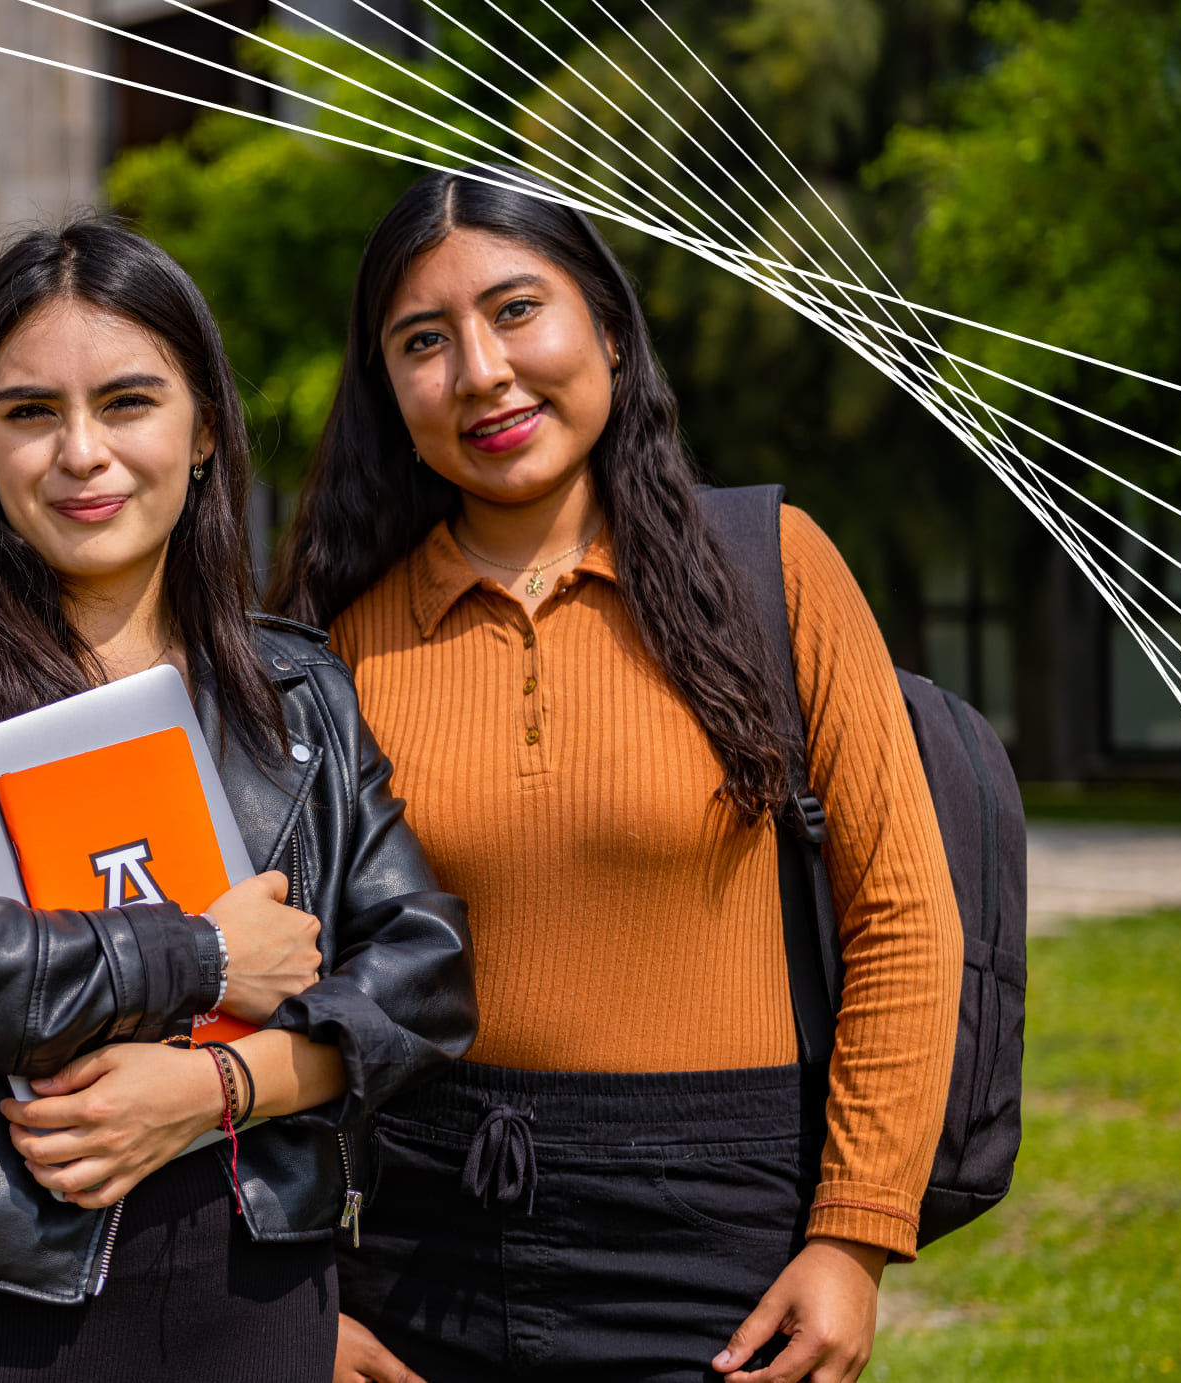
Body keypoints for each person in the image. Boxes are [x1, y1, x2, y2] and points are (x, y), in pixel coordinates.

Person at [269, 170, 965, 1383]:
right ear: (386, 386)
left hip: (723, 1261)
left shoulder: (773, 572)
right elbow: (275, 978)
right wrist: (294, 1302)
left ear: (605, 322)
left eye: (515, 309)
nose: (480, 371)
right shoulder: (335, 642)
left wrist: (851, 1236)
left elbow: (903, 919)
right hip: (422, 1245)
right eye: (422, 341)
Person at [0, 217, 476, 1383]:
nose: (80, 453)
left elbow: (425, 970)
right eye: (30, 412)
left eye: (129, 403)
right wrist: (196, 956)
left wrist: (214, 1084)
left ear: (202, 430)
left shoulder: (296, 685)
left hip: (254, 1278)